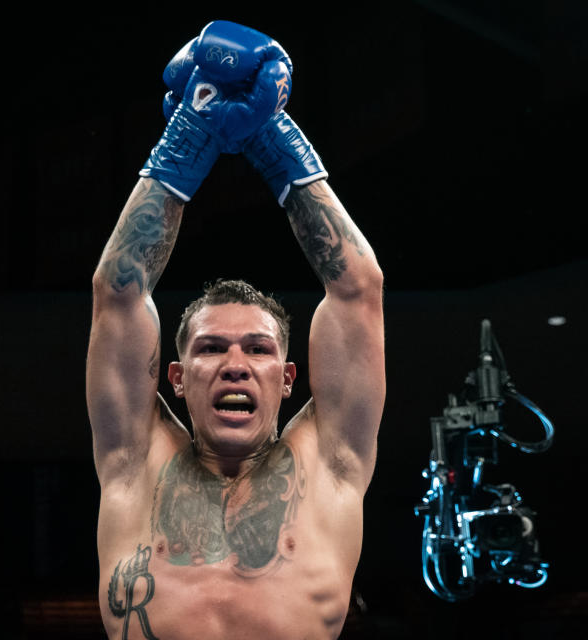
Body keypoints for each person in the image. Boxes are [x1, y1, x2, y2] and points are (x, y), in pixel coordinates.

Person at [87, 21, 385, 640]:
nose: (235, 363)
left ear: (287, 377)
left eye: (257, 348)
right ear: (175, 377)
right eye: (211, 347)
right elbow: (118, 294)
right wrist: (183, 143)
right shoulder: (132, 463)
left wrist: (276, 142)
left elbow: (358, 290)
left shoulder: (332, 466)